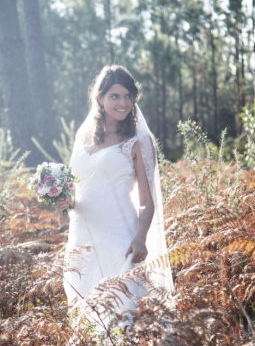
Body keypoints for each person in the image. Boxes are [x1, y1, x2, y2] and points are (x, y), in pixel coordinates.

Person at [57, 65, 173, 329]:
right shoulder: (83, 137)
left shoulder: (138, 139)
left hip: (120, 237)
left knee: (122, 314)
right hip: (83, 237)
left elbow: (146, 199)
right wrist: (67, 202)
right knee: (86, 314)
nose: (123, 103)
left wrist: (141, 238)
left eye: (128, 96)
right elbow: (82, 187)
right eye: (114, 96)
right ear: (100, 98)